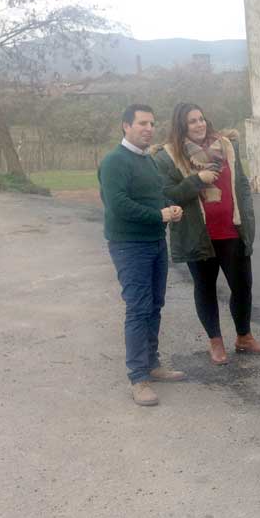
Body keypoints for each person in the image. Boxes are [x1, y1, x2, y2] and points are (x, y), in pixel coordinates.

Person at [153, 102, 260, 365]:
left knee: (243, 286)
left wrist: (248, 217)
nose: (199, 124)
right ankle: (215, 343)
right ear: (181, 126)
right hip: (199, 235)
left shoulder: (227, 146)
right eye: (192, 121)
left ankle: (244, 337)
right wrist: (198, 179)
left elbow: (241, 183)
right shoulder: (168, 156)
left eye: (201, 119)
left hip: (232, 231)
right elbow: (168, 194)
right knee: (205, 288)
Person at [98, 103, 186, 406]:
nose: (148, 129)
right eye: (142, 124)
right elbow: (118, 205)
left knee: (155, 305)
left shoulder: (147, 161)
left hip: (155, 242)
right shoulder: (114, 162)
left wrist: (169, 207)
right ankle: (138, 378)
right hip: (129, 245)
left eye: (152, 123)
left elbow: (156, 195)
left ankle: (152, 363)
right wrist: (158, 214)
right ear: (126, 126)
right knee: (138, 308)